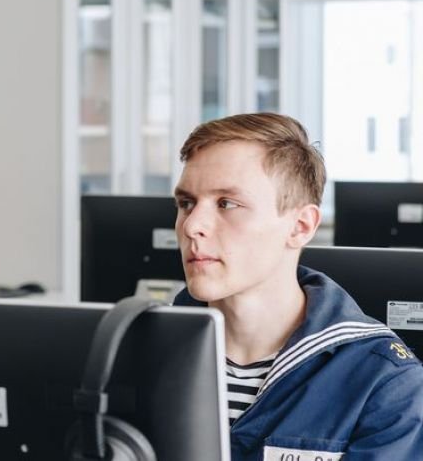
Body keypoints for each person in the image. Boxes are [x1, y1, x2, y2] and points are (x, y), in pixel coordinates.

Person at [172, 112, 423, 460]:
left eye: (227, 204)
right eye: (186, 204)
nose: (191, 226)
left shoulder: (384, 383)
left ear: (300, 226)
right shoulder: (135, 354)